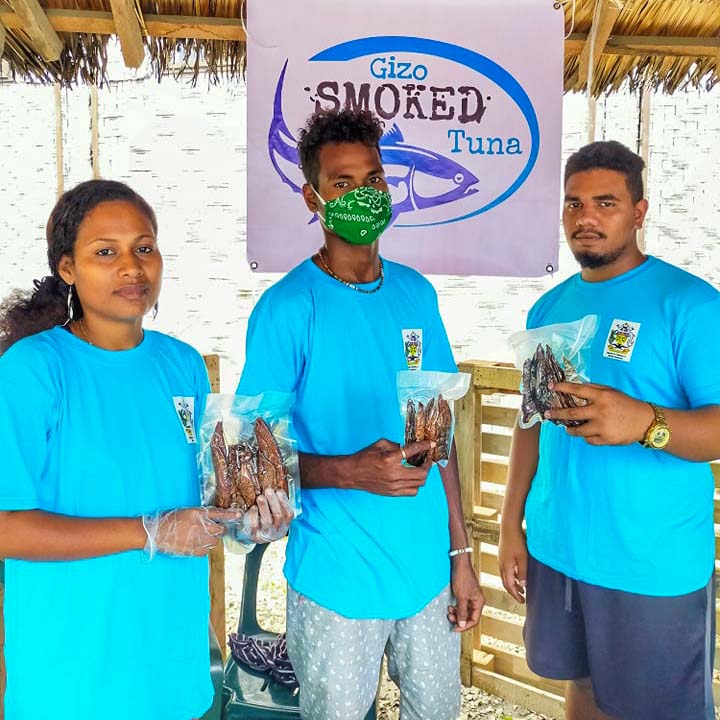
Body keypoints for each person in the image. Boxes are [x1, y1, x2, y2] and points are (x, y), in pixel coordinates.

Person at [0, 180, 292, 720]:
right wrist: (148, 531)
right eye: (105, 252)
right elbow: (6, 527)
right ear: (67, 269)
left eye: (144, 247)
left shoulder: (181, 365)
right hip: (72, 678)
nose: (132, 267)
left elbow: (197, 500)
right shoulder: (31, 370)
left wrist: (246, 522)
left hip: (173, 668)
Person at [237, 107, 484, 720]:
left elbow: (439, 435)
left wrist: (461, 558)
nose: (363, 194)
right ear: (312, 197)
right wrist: (348, 471)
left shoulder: (415, 293)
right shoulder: (286, 308)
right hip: (335, 581)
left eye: (373, 178)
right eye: (342, 183)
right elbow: (248, 456)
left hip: (427, 576)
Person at [499, 140, 720, 720]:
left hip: (650, 560)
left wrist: (645, 422)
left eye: (605, 202)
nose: (586, 218)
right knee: (583, 687)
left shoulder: (691, 305)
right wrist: (510, 525)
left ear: (639, 212)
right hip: (558, 547)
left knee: (660, 709)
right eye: (573, 205)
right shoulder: (547, 311)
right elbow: (531, 423)